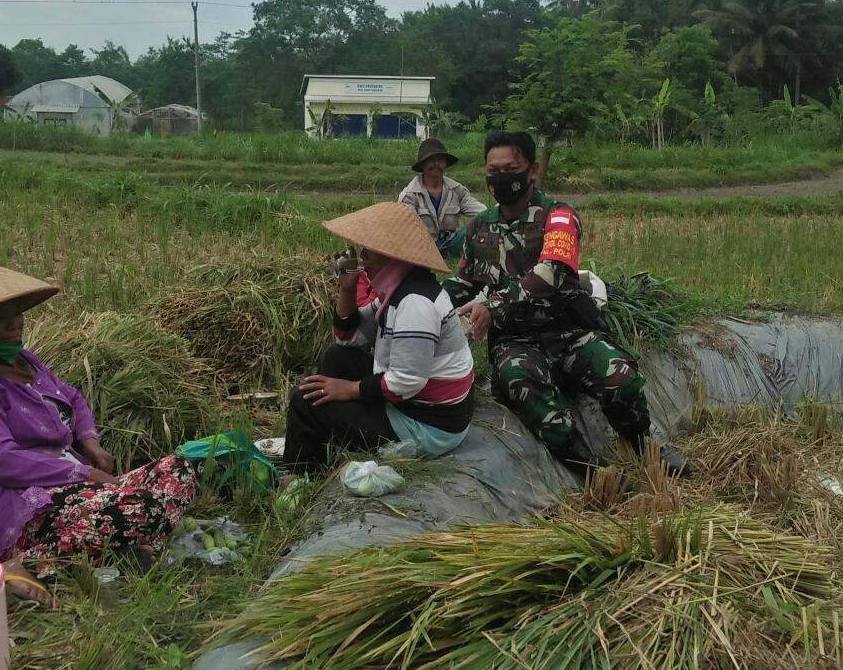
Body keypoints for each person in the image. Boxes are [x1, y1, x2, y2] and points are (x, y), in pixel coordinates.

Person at [0, 265, 196, 606]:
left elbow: (70, 397)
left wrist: (90, 442)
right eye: (2, 320)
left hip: (69, 490)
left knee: (180, 470)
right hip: (19, 504)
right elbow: (0, 460)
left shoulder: (25, 362)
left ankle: (111, 548)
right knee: (142, 507)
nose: (16, 325)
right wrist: (85, 473)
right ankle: (21, 564)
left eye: (17, 316)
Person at [444, 130, 688, 476]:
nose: (500, 178)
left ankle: (642, 445)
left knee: (623, 380)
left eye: (510, 168)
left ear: (531, 171)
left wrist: (493, 307)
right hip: (515, 340)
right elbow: (465, 282)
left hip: (569, 331)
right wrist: (426, 300)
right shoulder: (479, 228)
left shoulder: (558, 216)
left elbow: (552, 273)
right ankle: (588, 468)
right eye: (492, 170)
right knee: (519, 380)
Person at [284, 202, 475, 469]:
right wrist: (347, 288)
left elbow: (408, 381)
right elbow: (349, 338)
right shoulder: (396, 293)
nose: (362, 259)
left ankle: (300, 477)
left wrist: (350, 390)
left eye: (368, 251)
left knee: (306, 402)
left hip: (428, 427)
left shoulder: (414, 303)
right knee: (336, 357)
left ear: (390, 255)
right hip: (416, 404)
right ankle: (323, 441)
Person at [398, 137, 487, 254]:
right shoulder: (409, 195)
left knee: (483, 223)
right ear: (423, 165)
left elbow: (482, 213)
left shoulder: (457, 190)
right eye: (431, 160)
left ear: (445, 164)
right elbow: (407, 228)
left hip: (451, 243)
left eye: (440, 160)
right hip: (421, 247)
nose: (436, 164)